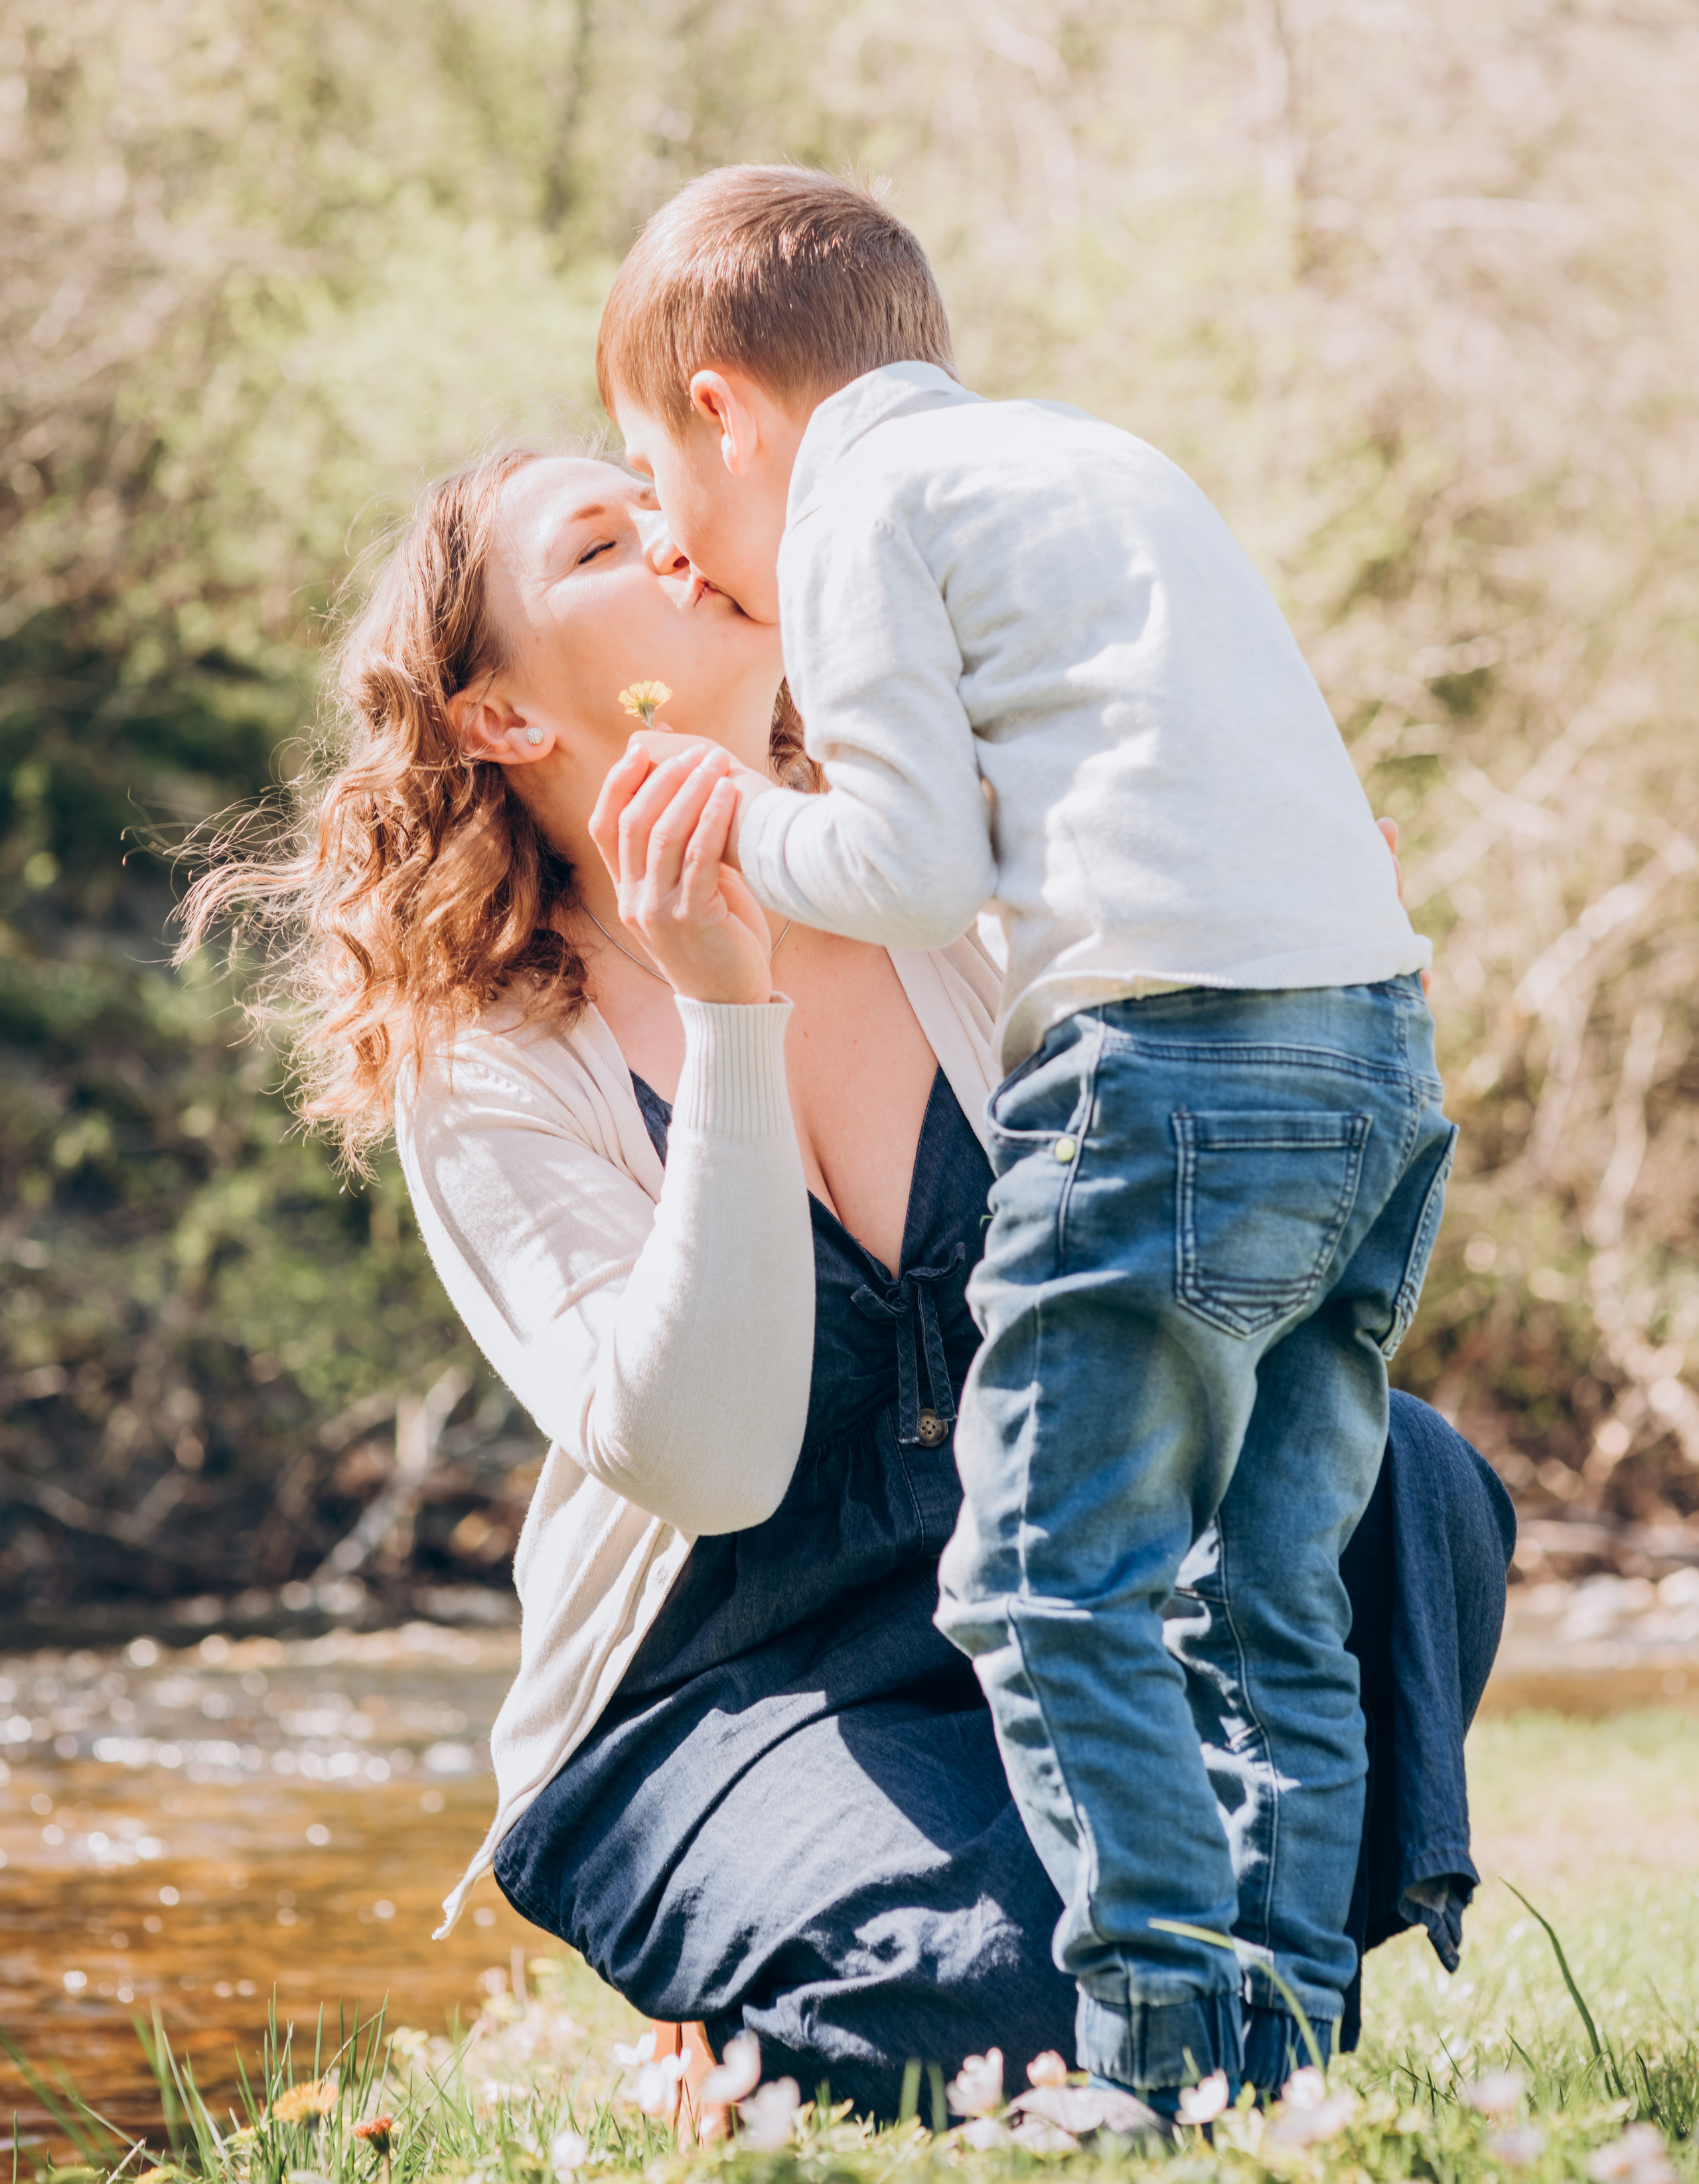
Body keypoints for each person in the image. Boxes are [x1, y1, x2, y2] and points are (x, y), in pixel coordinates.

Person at [177, 445, 1509, 2123]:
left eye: (665, 511)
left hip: (1055, 1592)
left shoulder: (955, 879)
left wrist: (1308, 990)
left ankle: (1208, 1990)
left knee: (1412, 1493)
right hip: (738, 1681)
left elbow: (1254, 1267)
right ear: (500, 714)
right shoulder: (493, 1064)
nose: (675, 544)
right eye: (602, 544)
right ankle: (756, 1975)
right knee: (1003, 2002)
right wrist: (729, 1020)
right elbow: (713, 1463)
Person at [595, 167, 1459, 2105]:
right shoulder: (1091, 457)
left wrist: (723, 820)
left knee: (1041, 1583)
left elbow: (910, 868)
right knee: (1269, 1594)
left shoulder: (854, 504)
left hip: (1164, 1077)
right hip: (1374, 1054)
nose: (672, 541)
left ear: (726, 404)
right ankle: (1294, 2051)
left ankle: (1163, 2073)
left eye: (652, 473)